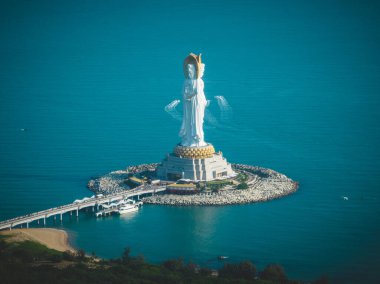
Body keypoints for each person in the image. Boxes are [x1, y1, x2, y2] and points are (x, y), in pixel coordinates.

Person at [179, 53, 207, 147]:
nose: (189, 72)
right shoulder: (186, 81)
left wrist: (203, 101)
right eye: (188, 70)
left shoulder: (199, 81)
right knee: (188, 120)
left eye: (191, 70)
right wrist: (186, 96)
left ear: (195, 71)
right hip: (188, 104)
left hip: (197, 103)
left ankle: (196, 140)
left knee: (196, 121)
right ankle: (187, 139)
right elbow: (183, 92)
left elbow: (199, 93)